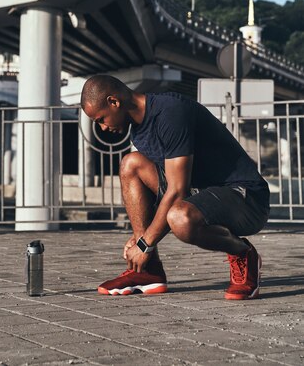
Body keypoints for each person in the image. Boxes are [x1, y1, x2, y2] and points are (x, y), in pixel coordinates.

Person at [80, 75, 270, 300]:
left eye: (101, 119)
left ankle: (243, 253)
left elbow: (177, 191)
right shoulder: (139, 131)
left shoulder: (170, 112)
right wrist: (142, 239)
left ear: (114, 102)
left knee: (180, 218)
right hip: (200, 193)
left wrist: (146, 242)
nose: (103, 127)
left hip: (245, 197)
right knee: (131, 163)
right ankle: (148, 271)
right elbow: (168, 190)